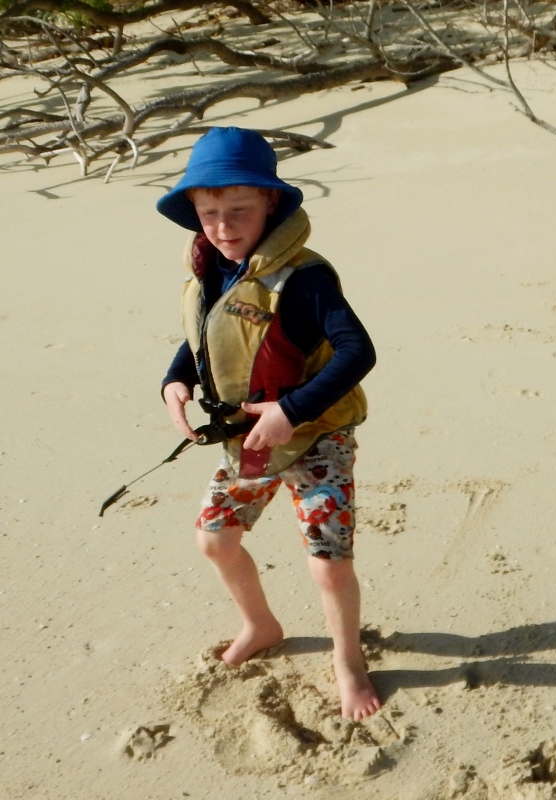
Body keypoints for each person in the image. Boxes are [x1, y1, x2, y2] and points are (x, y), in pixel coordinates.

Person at [156, 126, 380, 721]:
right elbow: (203, 337)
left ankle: (348, 662)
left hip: (314, 434)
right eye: (209, 213)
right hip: (247, 439)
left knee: (327, 560)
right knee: (215, 539)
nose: (224, 227)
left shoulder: (304, 278)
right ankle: (261, 624)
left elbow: (359, 352)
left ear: (271, 204)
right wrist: (175, 380)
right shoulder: (212, 271)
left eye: (239, 211)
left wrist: (292, 410)